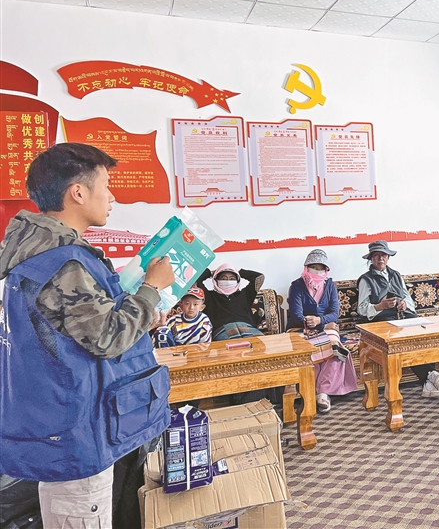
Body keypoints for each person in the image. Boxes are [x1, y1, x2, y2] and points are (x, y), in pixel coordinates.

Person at [0, 143, 175, 528]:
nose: (111, 197)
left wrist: (142, 318)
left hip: (53, 420)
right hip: (77, 429)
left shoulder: (33, 251)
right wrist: (152, 288)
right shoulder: (62, 261)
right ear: (77, 192)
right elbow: (106, 339)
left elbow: (74, 331)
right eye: (106, 185)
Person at [357, 240, 439, 398]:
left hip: (403, 318)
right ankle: (430, 376)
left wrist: (405, 305)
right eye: (376, 255)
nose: (380, 259)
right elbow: (362, 309)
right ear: (371, 259)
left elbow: (408, 299)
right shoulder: (366, 279)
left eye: (383, 255)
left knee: (422, 335)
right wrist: (379, 306)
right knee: (402, 341)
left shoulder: (396, 275)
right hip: (381, 321)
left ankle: (428, 383)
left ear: (388, 257)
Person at [287, 249, 357, 413]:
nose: (317, 271)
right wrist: (320, 325)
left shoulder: (330, 285)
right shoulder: (296, 286)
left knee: (335, 347)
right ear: (306, 268)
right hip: (299, 328)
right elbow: (296, 315)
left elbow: (334, 312)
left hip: (324, 326)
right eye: (314, 267)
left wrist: (320, 321)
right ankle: (311, 391)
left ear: (326, 270)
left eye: (321, 268)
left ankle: (323, 393)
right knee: (307, 349)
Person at [196, 263, 265, 340]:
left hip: (249, 328)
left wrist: (239, 272)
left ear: (237, 281)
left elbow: (259, 277)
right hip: (222, 331)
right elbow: (195, 279)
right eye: (224, 278)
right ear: (216, 280)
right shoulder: (208, 296)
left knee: (261, 345)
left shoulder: (245, 294)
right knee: (233, 347)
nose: (228, 281)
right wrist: (211, 273)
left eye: (232, 279)